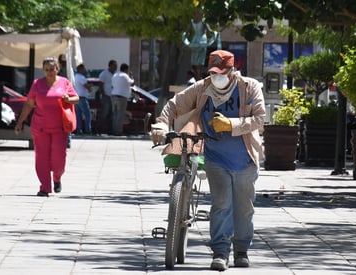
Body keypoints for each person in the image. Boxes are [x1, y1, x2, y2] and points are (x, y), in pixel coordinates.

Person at [150, 50, 265, 271]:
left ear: (232, 71)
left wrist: (231, 125)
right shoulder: (203, 88)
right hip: (216, 158)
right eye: (214, 72)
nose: (217, 76)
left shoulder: (249, 87)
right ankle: (220, 251)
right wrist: (161, 124)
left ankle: (241, 249)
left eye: (222, 72)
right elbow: (174, 105)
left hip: (245, 160)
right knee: (221, 204)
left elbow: (260, 118)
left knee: (244, 207)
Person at [14, 57, 79, 197]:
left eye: (52, 69)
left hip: (60, 128)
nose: (50, 72)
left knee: (59, 159)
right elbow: (29, 104)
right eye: (47, 70)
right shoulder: (37, 84)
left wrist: (68, 99)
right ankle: (44, 187)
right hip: (40, 128)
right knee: (41, 158)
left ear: (57, 69)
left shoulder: (64, 83)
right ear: (43, 70)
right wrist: (20, 122)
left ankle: (57, 177)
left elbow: (76, 98)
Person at [183, 8, 216, 80]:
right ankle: (197, 77)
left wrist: (214, 33)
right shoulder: (194, 22)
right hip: (198, 41)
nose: (198, 14)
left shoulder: (203, 22)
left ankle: (199, 77)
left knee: (199, 62)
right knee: (195, 62)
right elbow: (187, 32)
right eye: (197, 12)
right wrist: (184, 36)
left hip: (199, 41)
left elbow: (209, 30)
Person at [111, 63, 134, 136]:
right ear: (126, 69)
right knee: (120, 115)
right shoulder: (125, 76)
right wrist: (131, 76)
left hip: (113, 96)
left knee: (115, 114)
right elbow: (132, 83)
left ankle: (114, 130)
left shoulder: (115, 75)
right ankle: (118, 131)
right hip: (122, 97)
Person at [96, 60, 117, 135]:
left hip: (113, 97)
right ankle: (98, 129)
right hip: (106, 97)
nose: (116, 67)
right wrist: (103, 94)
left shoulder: (115, 74)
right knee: (104, 114)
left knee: (111, 114)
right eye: (114, 65)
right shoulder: (104, 74)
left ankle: (110, 130)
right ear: (110, 65)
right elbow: (100, 84)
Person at [74, 64, 93, 135]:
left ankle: (78, 130)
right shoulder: (81, 77)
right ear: (80, 69)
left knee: (78, 115)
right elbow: (86, 86)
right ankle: (88, 130)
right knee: (87, 114)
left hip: (76, 97)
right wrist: (90, 86)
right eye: (83, 68)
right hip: (82, 98)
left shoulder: (75, 77)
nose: (85, 69)